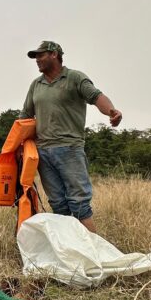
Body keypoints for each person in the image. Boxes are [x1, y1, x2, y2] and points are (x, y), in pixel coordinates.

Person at [21, 40, 122, 234]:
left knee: (79, 203)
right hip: (43, 152)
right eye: (36, 57)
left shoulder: (75, 78)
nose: (37, 60)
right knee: (58, 203)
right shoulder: (36, 84)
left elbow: (96, 96)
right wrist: (16, 146)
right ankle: (70, 248)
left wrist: (111, 111)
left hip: (70, 149)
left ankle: (94, 252)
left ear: (54, 55)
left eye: (41, 55)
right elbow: (25, 116)